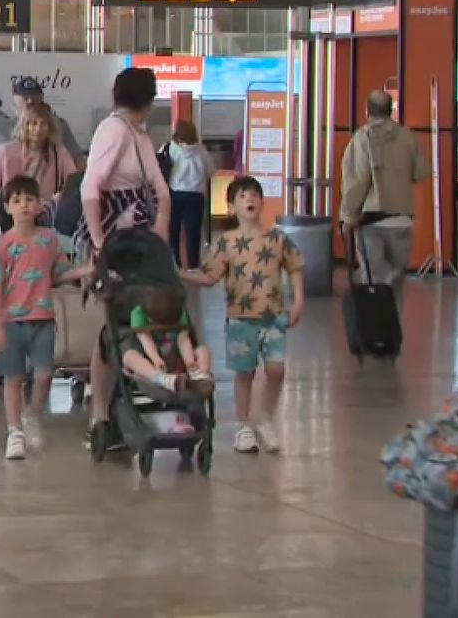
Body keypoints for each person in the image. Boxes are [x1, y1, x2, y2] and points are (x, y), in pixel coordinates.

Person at [80, 67, 172, 447]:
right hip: (118, 242)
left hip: (136, 243)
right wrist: (100, 241)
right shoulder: (116, 131)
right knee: (116, 329)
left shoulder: (136, 133)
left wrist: (158, 238)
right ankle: (102, 414)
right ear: (148, 101)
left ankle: (111, 409)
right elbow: (91, 186)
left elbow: (160, 192)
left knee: (135, 322)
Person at [183, 175, 304, 455]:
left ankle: (266, 419)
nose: (249, 199)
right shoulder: (226, 243)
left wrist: (298, 301)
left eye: (253, 195)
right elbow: (209, 276)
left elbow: (296, 267)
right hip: (240, 321)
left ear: (262, 202)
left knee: (276, 369)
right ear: (231, 207)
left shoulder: (277, 239)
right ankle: (243, 425)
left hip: (273, 318)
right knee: (244, 373)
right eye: (241, 196)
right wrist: (181, 273)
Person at [0, 175, 93, 461]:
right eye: (16, 201)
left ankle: (32, 413)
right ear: (7, 207)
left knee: (44, 374)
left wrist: (84, 271)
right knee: (13, 378)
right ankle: (14, 432)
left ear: (39, 205)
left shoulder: (49, 241)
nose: (23, 206)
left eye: (29, 200)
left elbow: (59, 273)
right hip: (11, 322)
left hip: (43, 318)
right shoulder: (3, 246)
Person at [339, 90, 428, 289]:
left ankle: (374, 320)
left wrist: (347, 215)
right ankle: (392, 319)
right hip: (402, 221)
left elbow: (357, 181)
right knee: (395, 283)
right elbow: (421, 173)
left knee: (374, 285)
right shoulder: (408, 137)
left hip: (371, 222)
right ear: (391, 110)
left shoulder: (362, 138)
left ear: (366, 110)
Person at [0, 102, 77, 241]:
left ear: (50, 127)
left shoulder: (59, 153)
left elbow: (74, 186)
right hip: (9, 218)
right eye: (33, 123)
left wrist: (55, 201)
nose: (37, 129)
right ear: (24, 125)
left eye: (43, 124)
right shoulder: (5, 152)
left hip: (46, 220)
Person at [119, 283, 214, 397]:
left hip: (176, 357)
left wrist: (189, 361)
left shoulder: (179, 312)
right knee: (129, 356)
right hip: (149, 361)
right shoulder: (139, 314)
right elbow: (145, 338)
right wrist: (156, 359)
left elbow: (183, 338)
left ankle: (199, 376)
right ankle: (163, 379)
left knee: (203, 350)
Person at [0, 77, 84, 163]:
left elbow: (77, 159)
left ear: (42, 99)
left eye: (35, 98)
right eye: (25, 98)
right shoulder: (2, 127)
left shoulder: (59, 125)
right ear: (14, 101)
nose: (30, 101)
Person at [165, 119, 214, 270]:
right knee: (193, 231)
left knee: (173, 230)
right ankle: (193, 265)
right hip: (195, 195)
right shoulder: (201, 150)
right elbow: (212, 171)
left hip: (174, 194)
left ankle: (176, 263)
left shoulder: (171, 148)